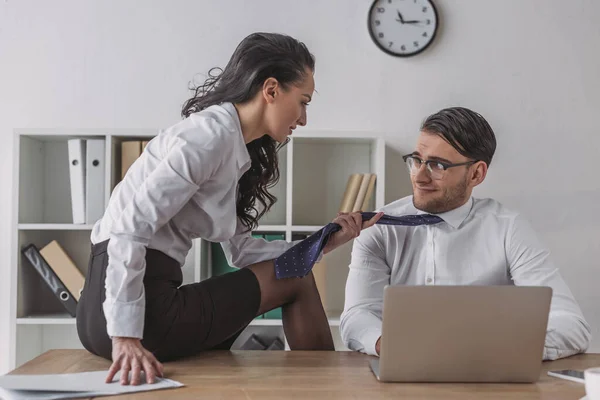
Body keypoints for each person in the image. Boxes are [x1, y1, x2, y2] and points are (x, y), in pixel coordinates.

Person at [76, 32, 382, 386]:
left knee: (291, 271)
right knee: (295, 277)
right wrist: (126, 337)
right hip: (138, 315)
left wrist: (327, 241)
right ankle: (324, 389)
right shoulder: (209, 137)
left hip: (103, 312)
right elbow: (130, 227)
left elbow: (241, 252)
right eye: (303, 101)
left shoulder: (228, 144)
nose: (303, 118)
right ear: (271, 90)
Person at [340, 107, 591, 360]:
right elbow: (357, 315)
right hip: (401, 374)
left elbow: (571, 324)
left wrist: (497, 351)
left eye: (438, 165)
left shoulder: (508, 229)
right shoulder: (379, 227)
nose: (420, 177)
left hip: (487, 377)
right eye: (417, 160)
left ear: (476, 174)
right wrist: (390, 346)